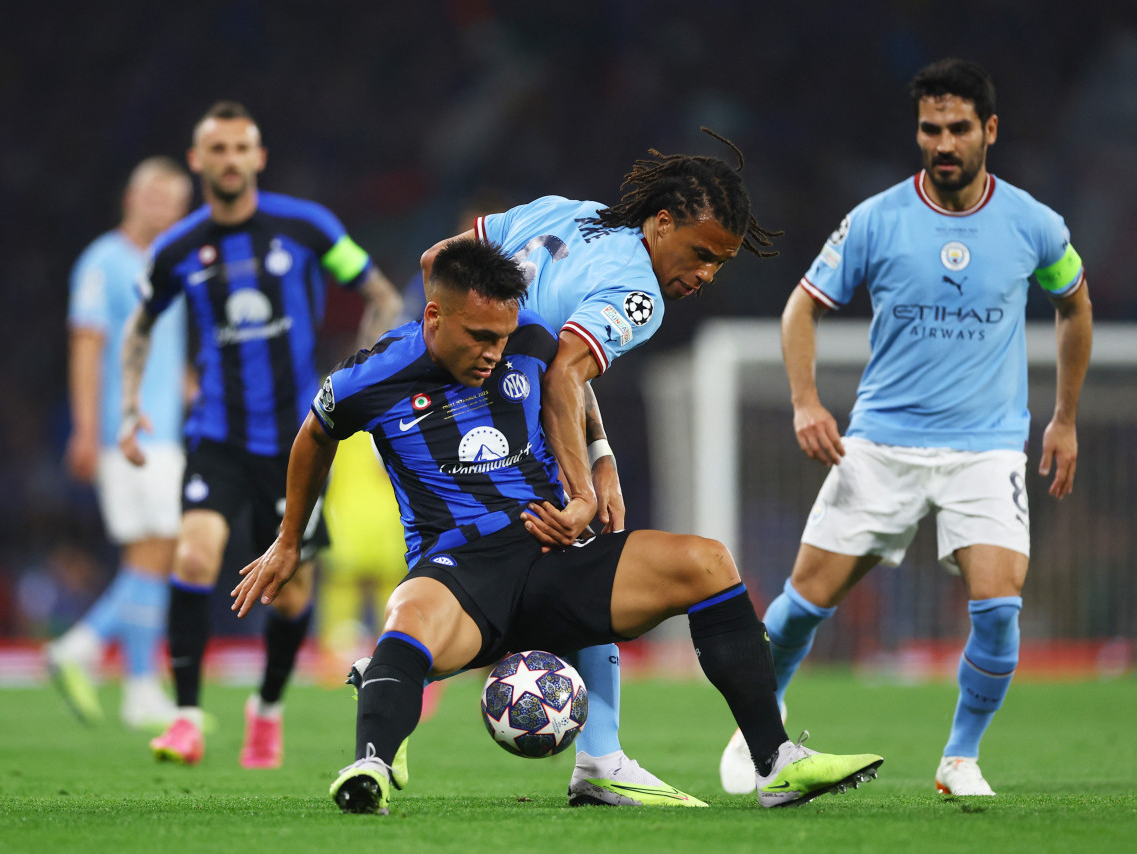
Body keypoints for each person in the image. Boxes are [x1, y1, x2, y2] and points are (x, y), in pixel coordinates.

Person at [230, 238, 883, 815]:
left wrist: (600, 461)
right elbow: (313, 437)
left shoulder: (531, 337)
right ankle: (371, 762)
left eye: (503, 337)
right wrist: (290, 541)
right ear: (433, 317)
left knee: (707, 561)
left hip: (553, 551)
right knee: (408, 618)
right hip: (461, 570)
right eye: (479, 337)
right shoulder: (369, 378)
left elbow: (570, 381)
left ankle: (774, 765)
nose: (495, 352)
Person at [718, 58, 1093, 797]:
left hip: (986, 449)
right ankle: (759, 728)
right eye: (930, 129)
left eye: (958, 128)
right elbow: (802, 307)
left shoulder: (1035, 225)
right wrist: (806, 402)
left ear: (989, 131)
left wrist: (1066, 419)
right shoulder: (876, 219)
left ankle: (960, 758)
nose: (943, 142)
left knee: (998, 608)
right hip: (882, 444)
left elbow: (1074, 306)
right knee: (801, 607)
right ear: (917, 132)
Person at [415, 131, 780, 807]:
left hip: (439, 415)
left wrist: (601, 459)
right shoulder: (639, 290)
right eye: (701, 254)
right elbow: (562, 377)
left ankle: (594, 754)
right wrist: (584, 487)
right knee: (560, 570)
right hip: (504, 423)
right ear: (661, 223)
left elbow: (440, 257)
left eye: (720, 265)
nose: (704, 275)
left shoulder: (568, 212)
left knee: (548, 567)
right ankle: (402, 672)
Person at [119, 101, 402, 768]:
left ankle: (266, 708)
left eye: (240, 148)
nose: (229, 160)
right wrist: (130, 404)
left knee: (292, 593)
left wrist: (357, 372)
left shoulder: (306, 227)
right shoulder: (179, 248)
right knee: (194, 555)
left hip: (293, 443)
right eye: (216, 150)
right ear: (199, 161)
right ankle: (186, 717)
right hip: (216, 435)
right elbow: (140, 325)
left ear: (258, 157)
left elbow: (383, 295)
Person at [48, 157, 193, 729]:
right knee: (163, 549)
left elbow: (168, 352)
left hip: (163, 425)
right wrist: (86, 428)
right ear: (130, 198)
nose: (162, 206)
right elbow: (87, 345)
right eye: (153, 194)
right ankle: (78, 646)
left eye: (173, 199)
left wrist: (195, 392)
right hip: (130, 428)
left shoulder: (169, 264)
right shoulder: (103, 262)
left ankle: (138, 687)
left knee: (146, 554)